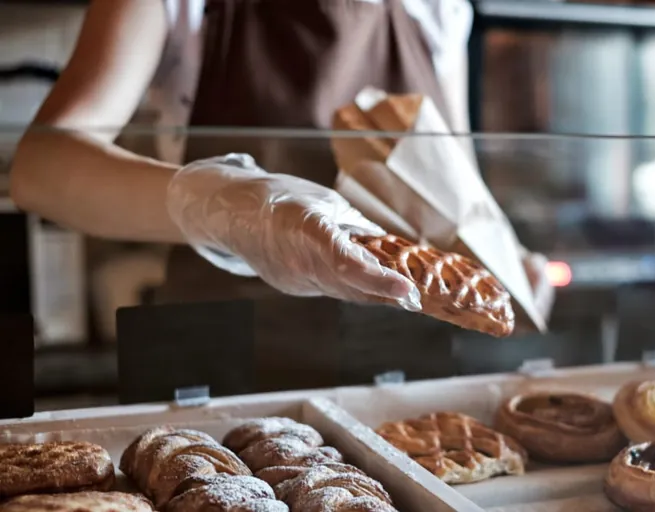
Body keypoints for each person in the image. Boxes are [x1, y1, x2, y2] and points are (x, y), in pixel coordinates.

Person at [11, 0, 552, 389]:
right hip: (218, 367)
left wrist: (507, 256)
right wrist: (234, 208)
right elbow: (42, 167)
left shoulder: (438, 11)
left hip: (391, 376)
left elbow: (455, 186)